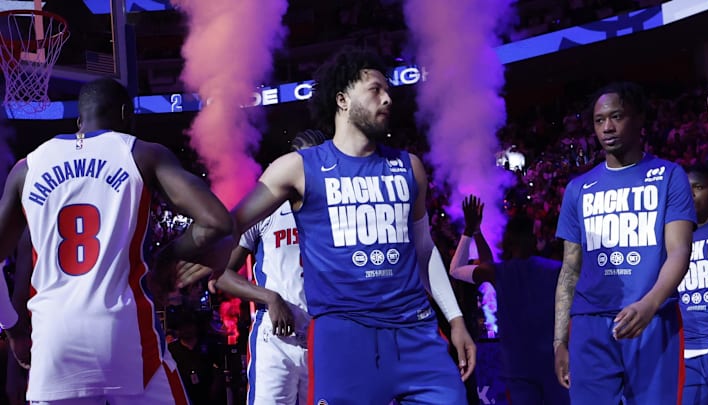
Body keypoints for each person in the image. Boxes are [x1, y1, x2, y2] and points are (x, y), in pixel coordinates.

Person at [179, 47, 475, 404]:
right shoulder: (297, 168)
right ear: (342, 99)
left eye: (389, 91)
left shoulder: (409, 167)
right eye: (375, 89)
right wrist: (183, 252)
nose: (387, 98)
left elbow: (424, 250)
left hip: (416, 332)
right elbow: (232, 222)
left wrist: (455, 319)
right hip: (343, 338)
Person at [0, 77, 233, 404]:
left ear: (79, 121)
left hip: (53, 342)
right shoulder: (140, 153)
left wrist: (11, 327)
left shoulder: (28, 167)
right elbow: (217, 221)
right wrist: (166, 257)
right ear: (126, 115)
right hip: (125, 335)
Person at [553, 82, 696, 404]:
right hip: (589, 323)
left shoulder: (669, 176)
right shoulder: (579, 188)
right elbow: (570, 269)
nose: (607, 128)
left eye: (616, 117)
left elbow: (679, 251)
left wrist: (650, 303)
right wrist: (559, 341)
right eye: (599, 120)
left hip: (651, 316)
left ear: (639, 119)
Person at [208, 129, 326, 405]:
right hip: (276, 343)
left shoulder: (339, 208)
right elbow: (219, 275)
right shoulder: (267, 207)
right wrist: (269, 298)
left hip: (326, 341)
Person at [450, 195, 570, 405]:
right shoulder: (556, 270)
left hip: (518, 368)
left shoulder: (500, 273)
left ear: (508, 240)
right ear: (534, 240)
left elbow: (456, 270)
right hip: (553, 365)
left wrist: (471, 230)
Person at [679, 88, 708, 404]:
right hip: (690, 354)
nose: (692, 194)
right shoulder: (675, 238)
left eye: (700, 187)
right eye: (687, 189)